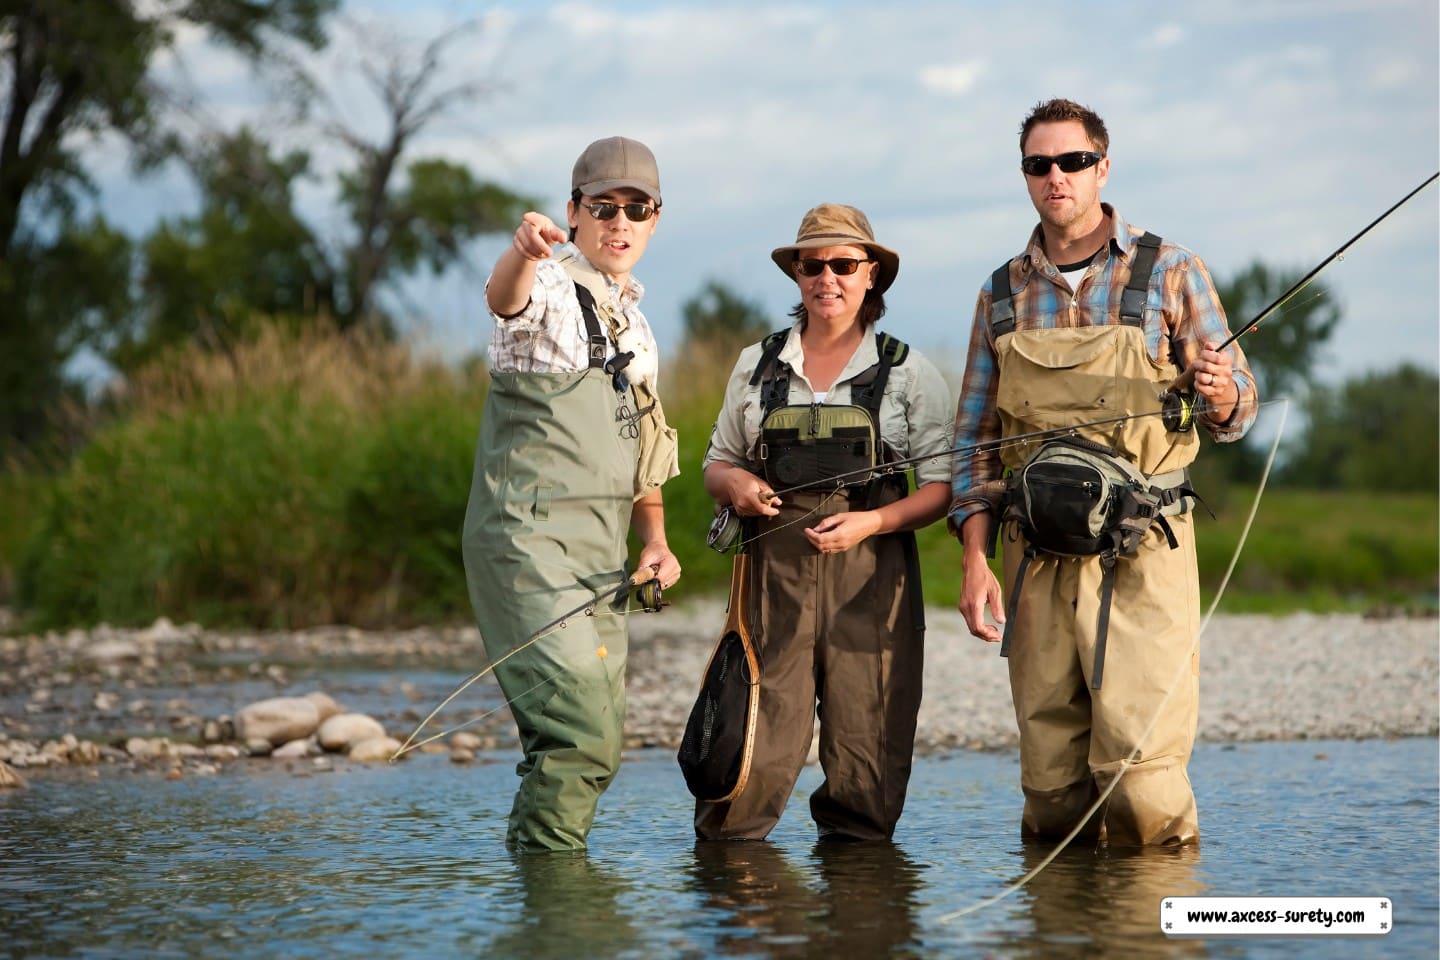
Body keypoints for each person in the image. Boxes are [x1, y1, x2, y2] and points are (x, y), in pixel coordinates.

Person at [950, 99, 1257, 846]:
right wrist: (974, 559)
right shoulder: (999, 293)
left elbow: (1240, 408)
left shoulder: (1174, 270)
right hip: (1034, 562)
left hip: (1145, 554)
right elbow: (972, 444)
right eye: (1039, 164)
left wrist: (1221, 391)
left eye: (1073, 161)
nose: (1056, 176)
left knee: (1140, 775)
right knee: (1051, 781)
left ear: (1103, 168)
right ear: (1026, 176)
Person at [695, 203, 954, 841]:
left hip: (873, 578)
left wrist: (872, 524)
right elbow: (715, 464)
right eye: (813, 265)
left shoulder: (908, 371)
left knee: (867, 753)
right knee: (752, 747)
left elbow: (945, 487)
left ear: (872, 276)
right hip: (770, 581)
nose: (827, 278)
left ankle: (861, 910)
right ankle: (735, 907)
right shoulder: (755, 365)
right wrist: (736, 487)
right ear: (798, 276)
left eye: (843, 264)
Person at [461, 135, 682, 852]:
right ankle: (556, 902)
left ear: (654, 219)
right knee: (579, 729)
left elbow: (647, 453)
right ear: (575, 212)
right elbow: (504, 301)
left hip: (601, 557)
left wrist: (655, 541)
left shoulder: (639, 328)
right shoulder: (549, 285)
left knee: (596, 743)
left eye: (636, 209)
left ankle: (547, 904)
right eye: (603, 207)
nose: (619, 223)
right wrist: (524, 249)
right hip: (526, 546)